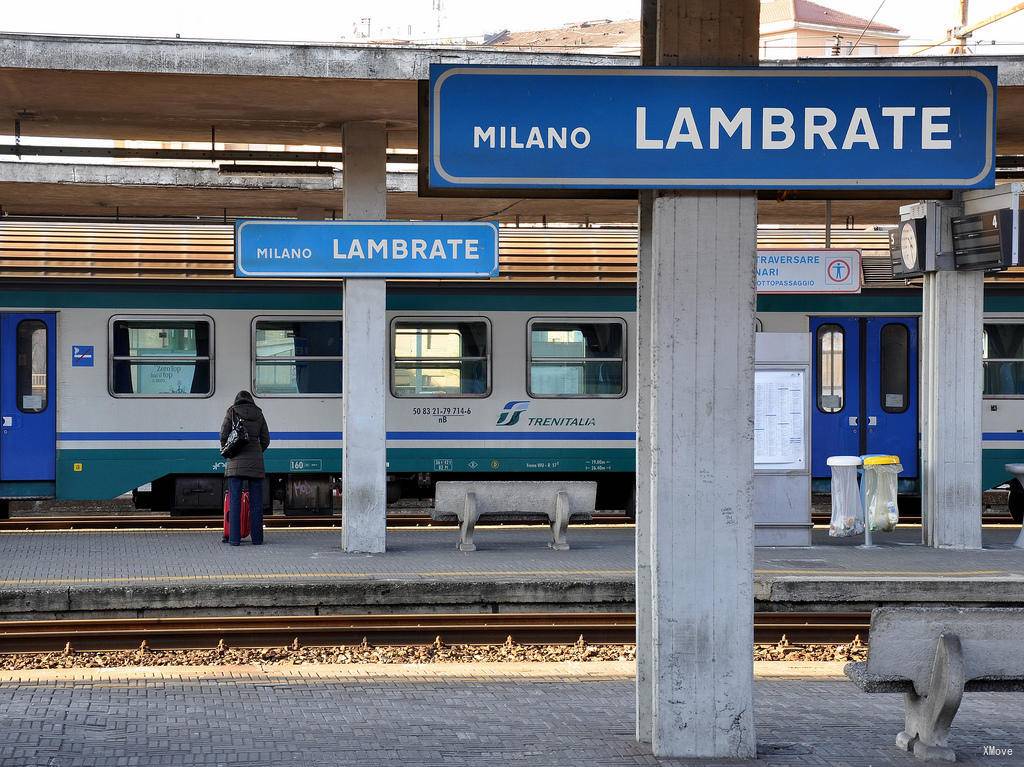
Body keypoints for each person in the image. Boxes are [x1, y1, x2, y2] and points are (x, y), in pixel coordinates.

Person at [219, 390, 271, 546]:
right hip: (256, 464)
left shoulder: (232, 411)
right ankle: (257, 539)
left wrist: (229, 449)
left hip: (236, 462)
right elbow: (266, 439)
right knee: (256, 504)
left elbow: (223, 434)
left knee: (235, 502)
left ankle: (234, 540)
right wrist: (256, 452)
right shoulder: (259, 414)